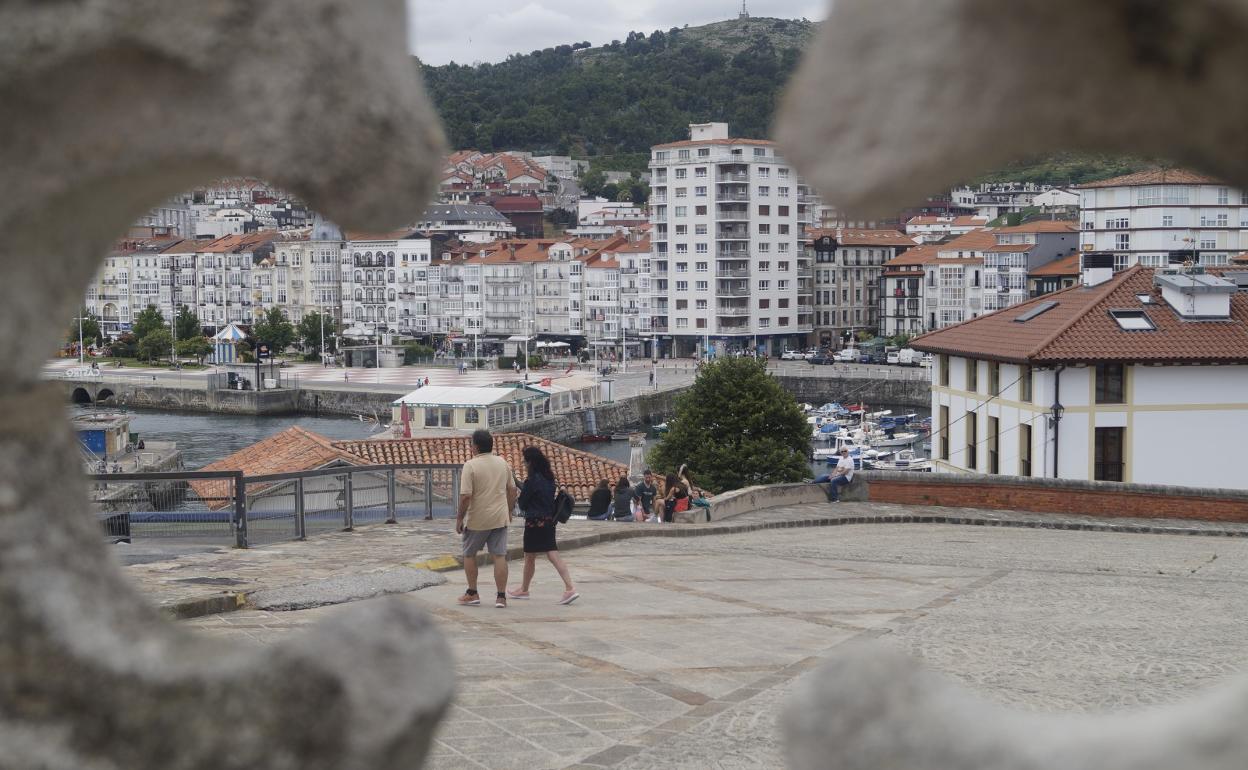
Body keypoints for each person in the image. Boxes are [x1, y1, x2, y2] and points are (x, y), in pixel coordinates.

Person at [507, 446, 579, 605]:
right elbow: (536, 492)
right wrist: (519, 483)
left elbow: (524, 503)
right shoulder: (549, 479)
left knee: (531, 557)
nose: (524, 464)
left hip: (534, 523)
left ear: (531, 462)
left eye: (525, 462)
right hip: (548, 522)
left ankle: (568, 588)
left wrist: (516, 486)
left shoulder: (532, 480)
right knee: (547, 554)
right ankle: (527, 589)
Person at [456, 429, 518, 608]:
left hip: (478, 518)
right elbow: (512, 490)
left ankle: (472, 592)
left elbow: (466, 496)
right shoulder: (502, 463)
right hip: (500, 516)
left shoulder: (471, 465)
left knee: (469, 553)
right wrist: (509, 510)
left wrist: (460, 518)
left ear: (475, 446)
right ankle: (501, 597)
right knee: (499, 555)